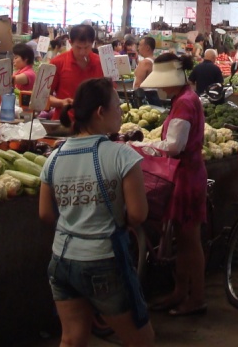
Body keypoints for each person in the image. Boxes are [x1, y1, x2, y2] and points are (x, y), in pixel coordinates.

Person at [39, 78, 154, 347]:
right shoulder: (121, 156)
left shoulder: (54, 157)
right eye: (117, 105)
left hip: (61, 260)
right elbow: (138, 214)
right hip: (103, 260)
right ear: (100, 112)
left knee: (71, 339)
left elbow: (45, 214)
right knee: (142, 341)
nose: (121, 112)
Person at [135, 54, 207, 316]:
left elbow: (175, 146)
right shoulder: (184, 98)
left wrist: (143, 146)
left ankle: (196, 298)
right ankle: (180, 292)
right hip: (186, 174)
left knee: (189, 241)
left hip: (187, 177)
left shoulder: (185, 102)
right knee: (184, 240)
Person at [48, 24, 102, 120]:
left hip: (94, 123)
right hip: (65, 122)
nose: (82, 52)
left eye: (87, 47)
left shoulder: (101, 62)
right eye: (78, 47)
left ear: (93, 43)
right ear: (70, 42)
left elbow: (110, 93)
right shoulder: (57, 63)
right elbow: (44, 96)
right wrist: (61, 102)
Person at [11, 42, 37, 107]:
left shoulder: (29, 74)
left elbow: (9, 80)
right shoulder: (19, 71)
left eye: (16, 58)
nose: (13, 61)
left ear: (25, 59)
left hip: (24, 107)